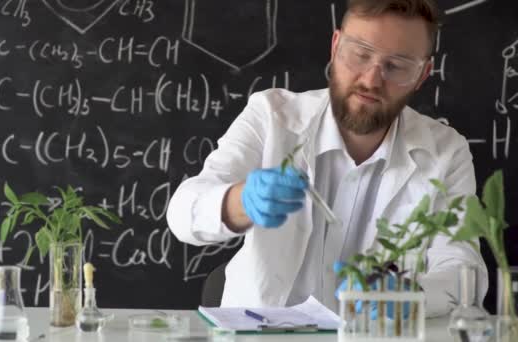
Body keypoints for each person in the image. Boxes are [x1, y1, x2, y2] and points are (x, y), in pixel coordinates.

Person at [166, 0, 488, 317]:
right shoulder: (271, 116)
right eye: (360, 55)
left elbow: (464, 272)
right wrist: (241, 202)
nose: (371, 80)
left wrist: (410, 295)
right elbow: (182, 215)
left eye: (397, 66)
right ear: (336, 46)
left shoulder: (446, 153)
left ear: (422, 75)